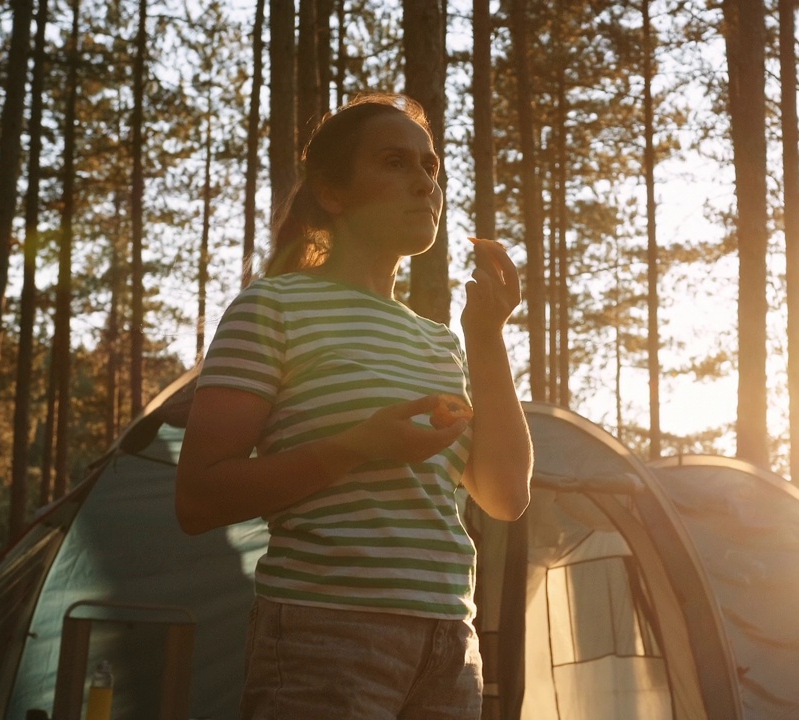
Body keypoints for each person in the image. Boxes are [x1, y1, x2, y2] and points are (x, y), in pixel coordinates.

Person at [175, 92, 533, 719]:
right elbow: (199, 499)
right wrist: (356, 448)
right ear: (332, 194)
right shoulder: (273, 309)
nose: (424, 182)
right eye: (394, 162)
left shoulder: (438, 340)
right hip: (326, 633)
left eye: (430, 167)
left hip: (450, 643)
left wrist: (486, 335)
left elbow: (505, 493)